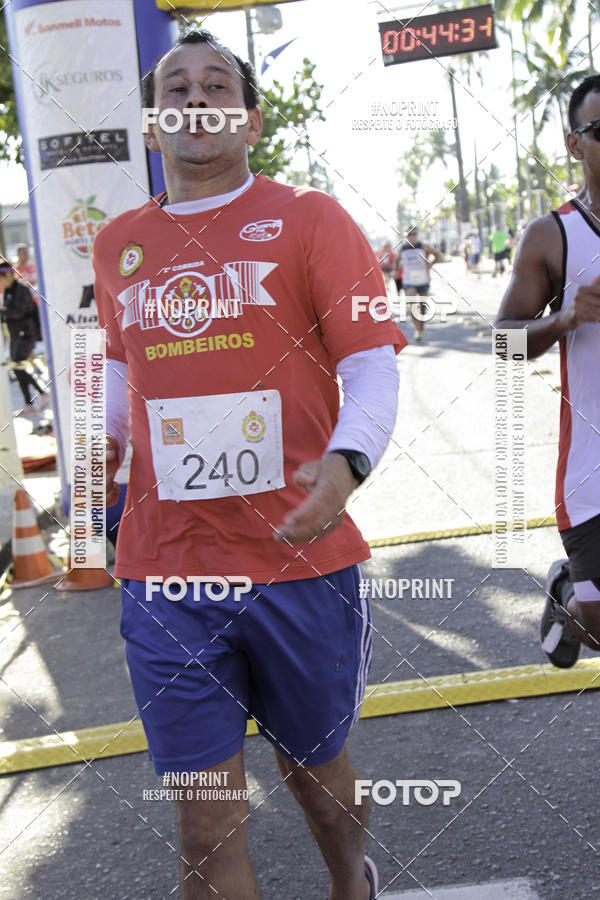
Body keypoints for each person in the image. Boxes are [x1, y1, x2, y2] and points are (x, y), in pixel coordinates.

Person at [93, 30, 406, 900]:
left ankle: (351, 879)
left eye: (216, 85)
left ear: (252, 120)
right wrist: (93, 458)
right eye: (176, 88)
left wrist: (346, 464)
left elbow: (371, 363)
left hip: (298, 560)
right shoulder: (117, 244)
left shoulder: (311, 218)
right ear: (152, 124)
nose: (195, 99)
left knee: (316, 780)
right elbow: (117, 375)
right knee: (203, 821)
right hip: (167, 569)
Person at [494, 74, 600, 670]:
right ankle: (567, 597)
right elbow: (503, 343)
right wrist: (564, 319)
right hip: (592, 465)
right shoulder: (551, 236)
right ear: (574, 143)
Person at [0, 259, 46, 412]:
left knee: (19, 367)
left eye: (1, 278)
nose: (1, 282)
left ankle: (42, 394)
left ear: (9, 274)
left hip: (26, 334)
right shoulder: (8, 290)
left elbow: (18, 312)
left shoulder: (21, 288)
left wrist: (2, 311)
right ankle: (29, 403)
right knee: (18, 368)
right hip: (16, 335)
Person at [400, 224, 441, 341]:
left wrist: (431, 265)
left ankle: (422, 324)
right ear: (406, 236)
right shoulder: (403, 249)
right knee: (412, 305)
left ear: (417, 235)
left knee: (423, 307)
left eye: (414, 234)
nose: (412, 236)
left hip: (423, 280)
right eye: (409, 234)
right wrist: (395, 268)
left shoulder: (423, 246)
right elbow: (397, 261)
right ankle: (418, 330)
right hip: (409, 281)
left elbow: (437, 254)